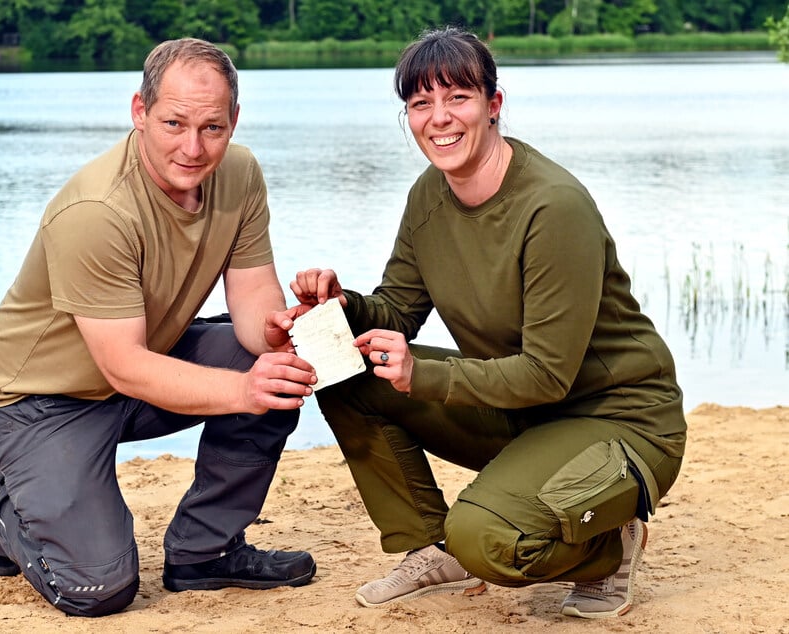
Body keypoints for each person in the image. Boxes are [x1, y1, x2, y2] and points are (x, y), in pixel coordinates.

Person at [290, 27, 686, 619]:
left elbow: (549, 375)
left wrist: (419, 375)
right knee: (346, 372)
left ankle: (609, 544)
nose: (439, 118)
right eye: (421, 103)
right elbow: (398, 311)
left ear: (493, 104)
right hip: (526, 415)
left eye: (458, 97)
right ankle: (428, 547)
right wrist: (341, 306)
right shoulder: (429, 194)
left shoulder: (552, 207)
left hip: (619, 421)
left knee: (487, 539)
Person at [0, 38, 319, 617]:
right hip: (39, 399)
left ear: (234, 121)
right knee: (97, 590)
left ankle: (206, 551)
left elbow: (253, 298)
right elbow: (122, 364)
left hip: (139, 368)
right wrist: (244, 391)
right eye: (174, 122)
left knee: (277, 373)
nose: (193, 147)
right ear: (139, 111)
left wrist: (282, 332)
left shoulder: (241, 173)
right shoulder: (98, 211)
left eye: (212, 127)